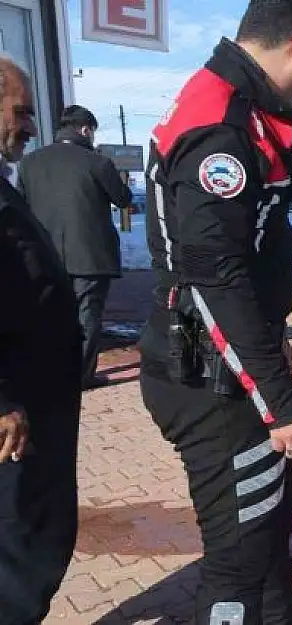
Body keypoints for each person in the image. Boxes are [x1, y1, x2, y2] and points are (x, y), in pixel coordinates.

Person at [137, 2, 292, 623]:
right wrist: (281, 399)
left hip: (231, 363)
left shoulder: (247, 109)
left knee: (267, 543)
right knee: (238, 561)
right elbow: (213, 278)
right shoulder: (221, 126)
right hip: (211, 380)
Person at [0, 58, 84, 625]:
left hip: (35, 404)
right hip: (16, 418)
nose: (31, 127)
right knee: (20, 549)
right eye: (21, 111)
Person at [18, 104, 133, 390]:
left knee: (50, 316)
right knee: (87, 315)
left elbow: (21, 206)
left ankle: (49, 372)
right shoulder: (97, 162)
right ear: (85, 130)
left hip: (45, 256)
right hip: (91, 256)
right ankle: (81, 376)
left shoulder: (30, 162)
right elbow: (123, 199)